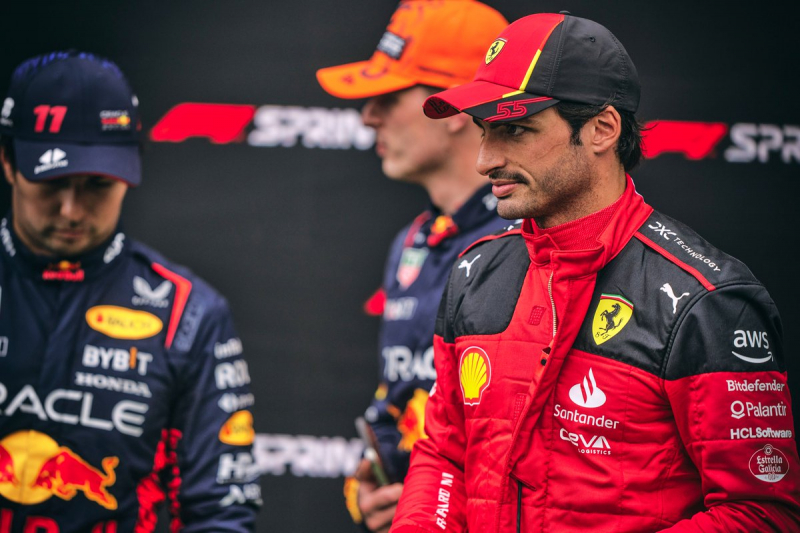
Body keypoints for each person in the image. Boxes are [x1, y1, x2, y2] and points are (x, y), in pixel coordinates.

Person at [391, 12, 800, 532]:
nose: (485, 160)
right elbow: (445, 455)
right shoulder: (475, 271)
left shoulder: (707, 300)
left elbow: (762, 513)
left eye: (515, 129)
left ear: (602, 129)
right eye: (484, 131)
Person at [0, 51, 260, 531]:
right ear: (8, 162)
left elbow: (220, 511)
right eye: (51, 182)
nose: (72, 210)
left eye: (97, 185)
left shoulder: (187, 313)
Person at [315, 1, 508, 531]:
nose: (368, 116)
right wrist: (370, 489)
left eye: (389, 98)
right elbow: (398, 395)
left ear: (456, 109)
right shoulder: (413, 241)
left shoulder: (529, 241)